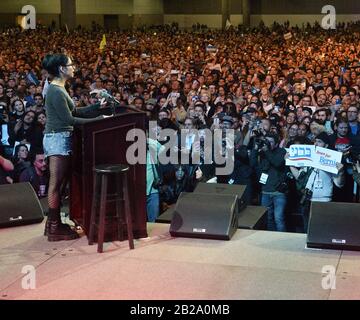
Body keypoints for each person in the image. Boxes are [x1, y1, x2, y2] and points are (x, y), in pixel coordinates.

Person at [42, 53, 106, 241]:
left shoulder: (60, 88)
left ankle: (52, 225)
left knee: (59, 184)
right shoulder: (55, 90)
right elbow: (69, 119)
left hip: (60, 138)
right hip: (58, 139)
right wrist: (97, 121)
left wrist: (95, 108)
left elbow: (75, 111)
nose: (74, 67)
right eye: (71, 64)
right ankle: (54, 227)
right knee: (55, 185)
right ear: (61, 69)